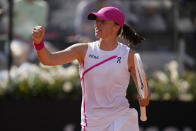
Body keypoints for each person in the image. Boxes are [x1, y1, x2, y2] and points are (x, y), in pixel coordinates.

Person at [32, 6, 150, 131]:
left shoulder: (129, 56)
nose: (97, 25)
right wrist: (38, 43)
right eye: (96, 21)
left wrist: (145, 98)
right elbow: (48, 60)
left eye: (103, 22)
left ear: (116, 27)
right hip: (92, 123)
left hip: (121, 118)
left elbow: (144, 88)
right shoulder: (82, 50)